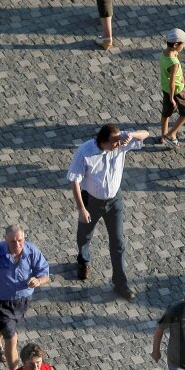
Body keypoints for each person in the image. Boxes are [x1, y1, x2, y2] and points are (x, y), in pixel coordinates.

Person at [67, 124, 148, 300]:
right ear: (102, 142)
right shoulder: (85, 152)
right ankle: (84, 260)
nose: (117, 145)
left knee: (118, 242)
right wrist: (81, 209)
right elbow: (74, 180)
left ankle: (120, 283)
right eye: (113, 142)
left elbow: (146, 134)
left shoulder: (120, 142)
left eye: (118, 141)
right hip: (91, 200)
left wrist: (130, 135)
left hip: (114, 201)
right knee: (84, 235)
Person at [0, 225, 51, 369]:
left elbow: (45, 274)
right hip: (1, 302)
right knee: (12, 337)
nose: (17, 245)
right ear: (6, 240)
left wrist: (39, 280)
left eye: (20, 240)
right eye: (13, 242)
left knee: (8, 326)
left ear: (24, 238)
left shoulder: (32, 251)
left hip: (23, 301)